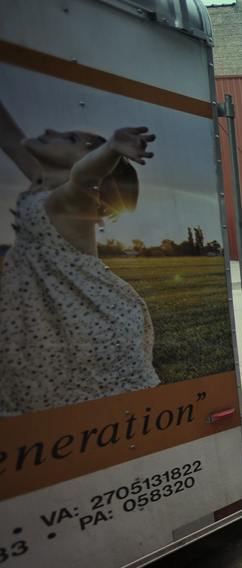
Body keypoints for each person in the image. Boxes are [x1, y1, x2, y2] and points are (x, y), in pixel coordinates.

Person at [0, 99, 159, 416]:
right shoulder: (40, 182)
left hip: (90, 324)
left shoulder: (69, 201)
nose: (49, 130)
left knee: (85, 401)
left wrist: (112, 148)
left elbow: (86, 176)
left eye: (69, 138)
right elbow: (9, 137)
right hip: (61, 319)